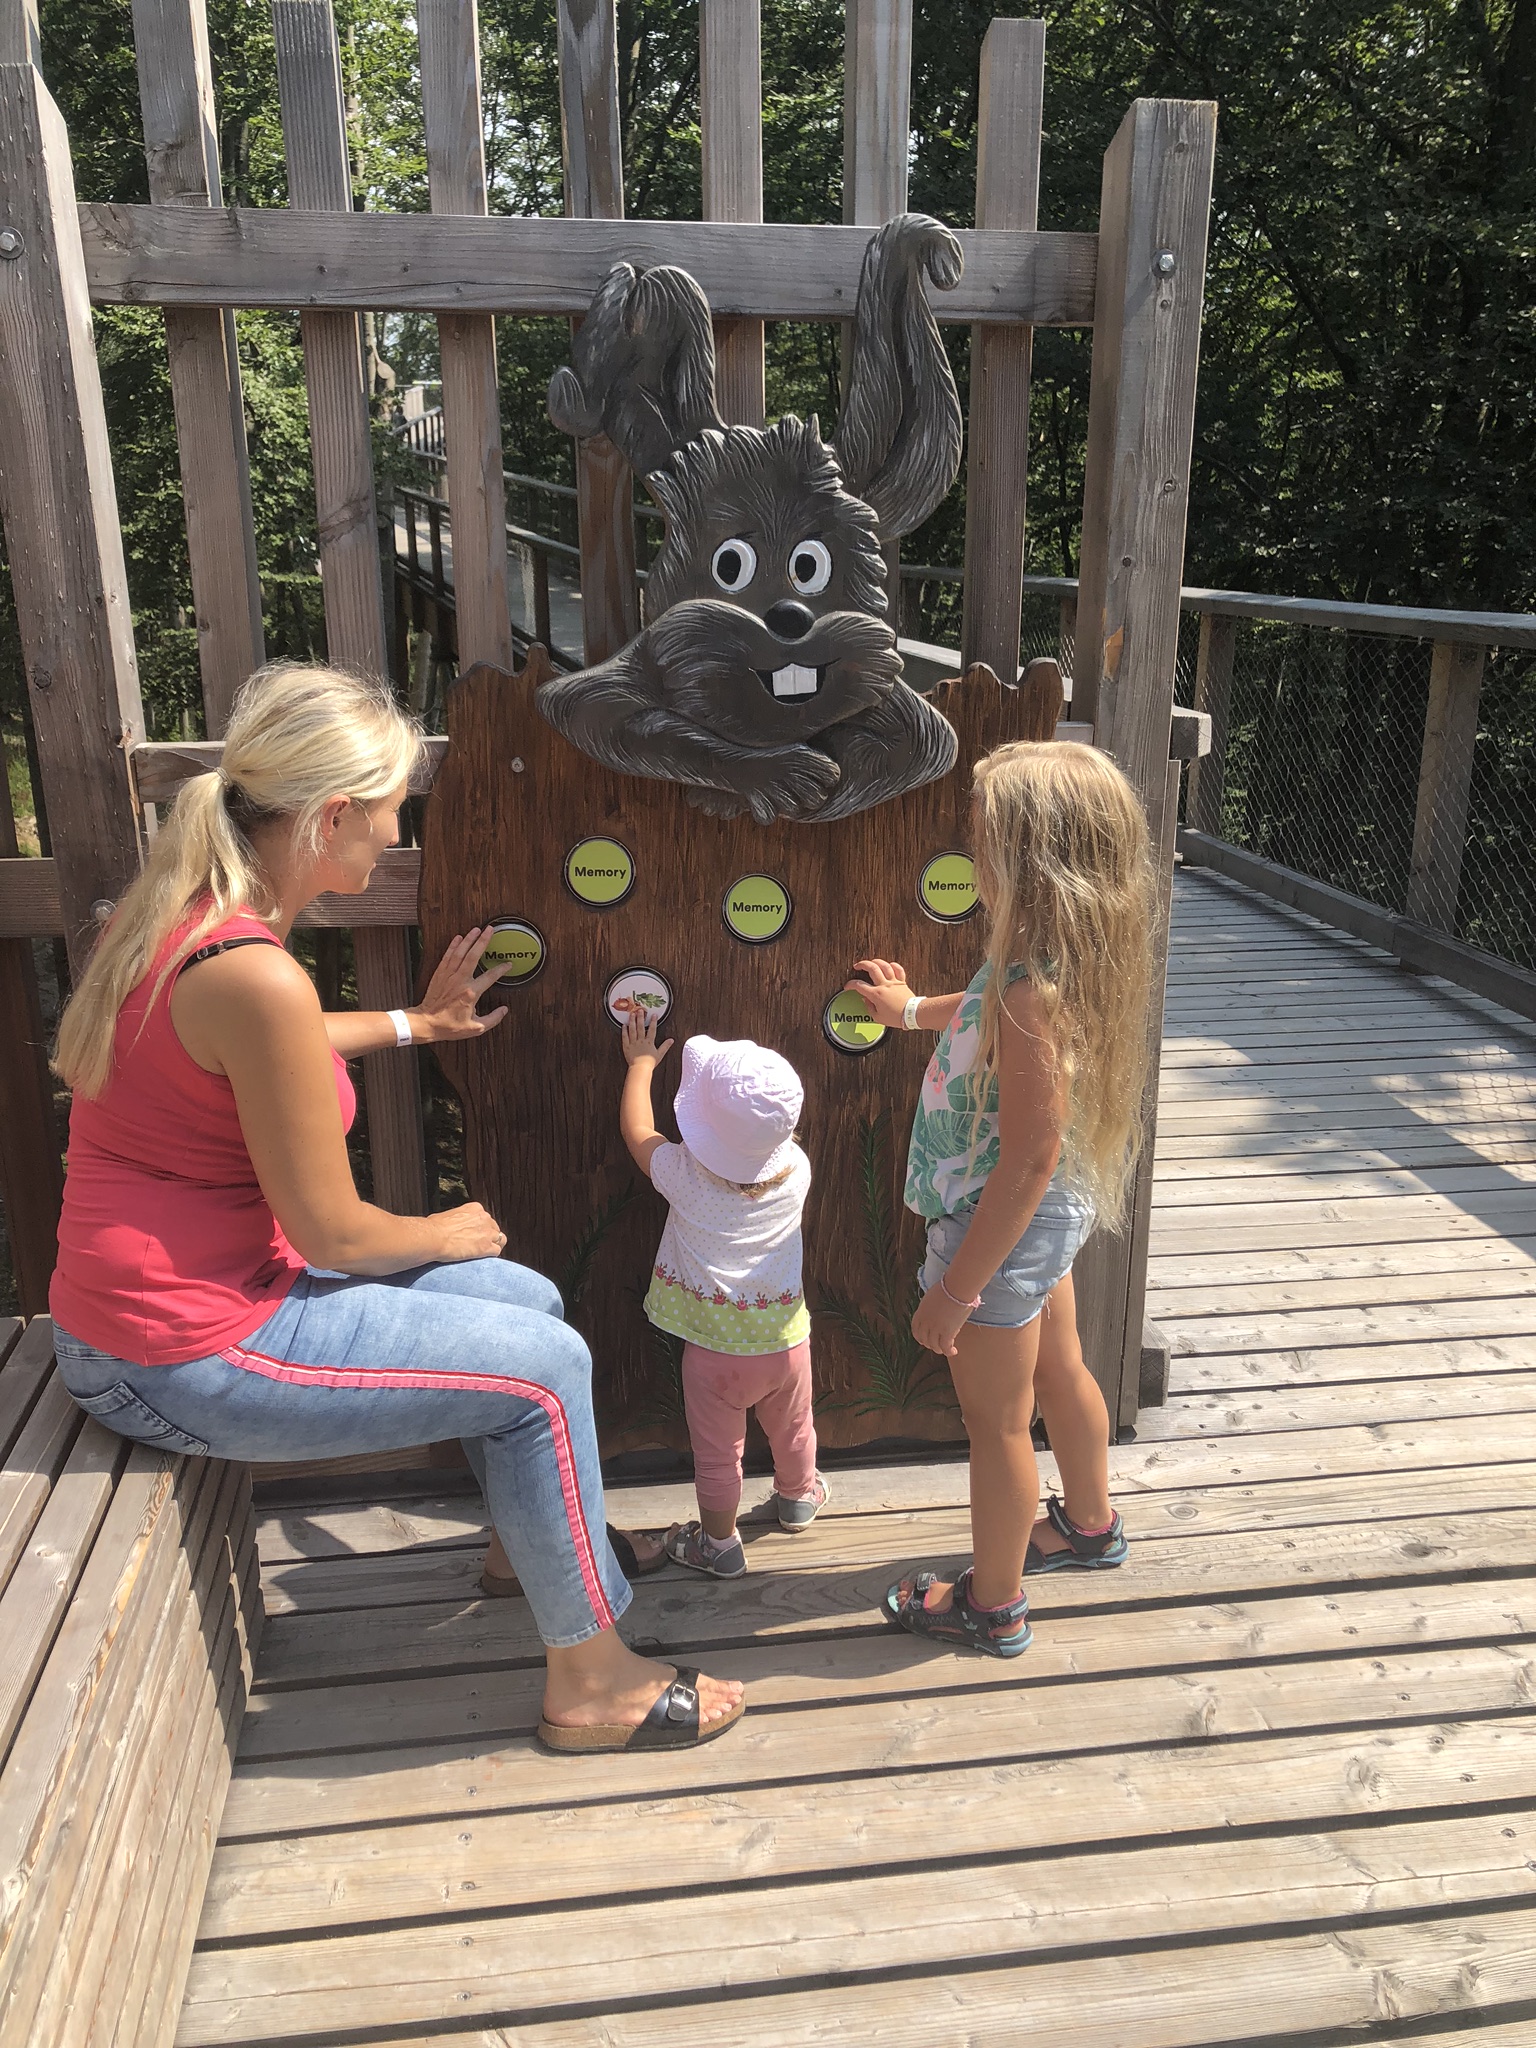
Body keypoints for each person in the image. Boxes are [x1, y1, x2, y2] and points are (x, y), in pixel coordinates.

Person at [48, 661, 743, 1753]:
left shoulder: (186, 918)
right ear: (331, 816)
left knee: (527, 1299)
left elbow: (264, 1043)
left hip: (155, 1314)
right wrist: (442, 1229)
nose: (392, 833)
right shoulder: (252, 972)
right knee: (545, 1369)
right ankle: (593, 1683)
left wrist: (419, 1024)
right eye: (387, 810)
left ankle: (530, 1551)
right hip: (177, 1350)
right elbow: (333, 1233)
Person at [847, 741, 1156, 1656]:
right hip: (1046, 1216)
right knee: (1061, 1371)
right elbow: (978, 1004)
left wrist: (957, 1288)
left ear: (1029, 861)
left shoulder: (1032, 992)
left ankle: (992, 1604)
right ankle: (1091, 1527)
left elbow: (1026, 1160)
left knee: (996, 1426)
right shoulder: (1055, 960)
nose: (972, 855)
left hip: (1001, 1218)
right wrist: (910, 1011)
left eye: (984, 840)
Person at [618, 1015, 827, 1578]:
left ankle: (718, 1544)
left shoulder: (682, 1175)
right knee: (795, 1429)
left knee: (717, 1456)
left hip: (714, 1356)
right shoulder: (798, 1170)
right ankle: (798, 1498)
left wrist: (641, 1065)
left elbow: (638, 1131)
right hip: (787, 1343)